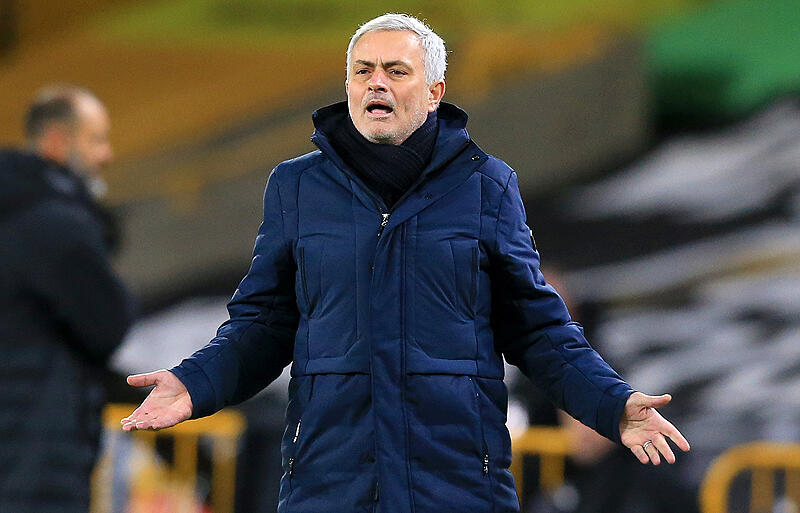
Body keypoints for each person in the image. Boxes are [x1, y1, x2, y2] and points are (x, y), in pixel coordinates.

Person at [121, 14, 690, 512]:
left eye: (396, 71)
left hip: (456, 486)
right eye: (363, 70)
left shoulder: (488, 186)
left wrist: (611, 404)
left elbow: (538, 330)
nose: (377, 82)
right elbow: (264, 326)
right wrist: (195, 383)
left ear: (435, 92)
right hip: (330, 484)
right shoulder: (296, 187)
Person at [0, 85, 134, 513]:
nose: (107, 155)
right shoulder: (54, 222)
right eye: (96, 140)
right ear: (57, 141)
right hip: (32, 453)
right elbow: (108, 323)